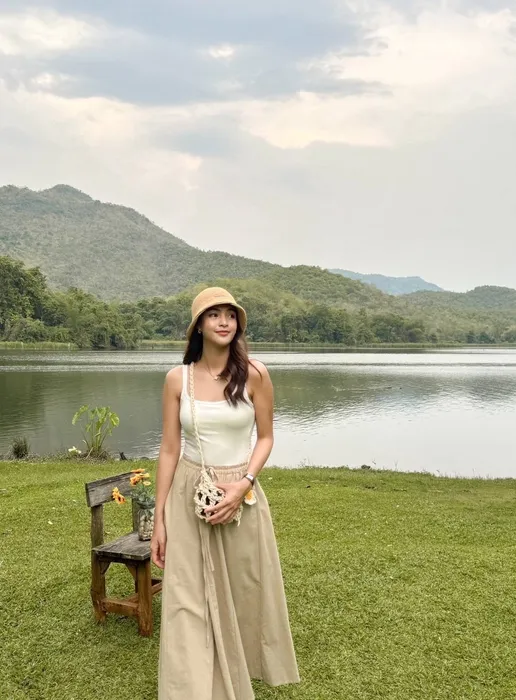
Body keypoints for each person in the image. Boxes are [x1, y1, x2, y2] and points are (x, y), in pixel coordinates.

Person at [151, 287, 300, 700]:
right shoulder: (177, 379)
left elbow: (266, 438)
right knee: (186, 596)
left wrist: (244, 484)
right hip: (187, 492)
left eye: (230, 315)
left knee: (242, 590)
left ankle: (236, 673)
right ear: (198, 325)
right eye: (213, 314)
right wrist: (160, 517)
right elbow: (169, 449)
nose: (223, 322)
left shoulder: (255, 374)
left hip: (241, 493)